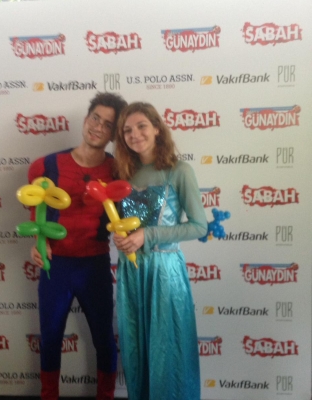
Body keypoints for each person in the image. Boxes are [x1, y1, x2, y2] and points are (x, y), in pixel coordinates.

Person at [28, 92, 127, 400]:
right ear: (86, 119)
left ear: (114, 135)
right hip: (55, 266)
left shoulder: (119, 172)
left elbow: (127, 219)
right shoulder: (45, 166)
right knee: (50, 337)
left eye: (108, 124)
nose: (98, 127)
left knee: (104, 339)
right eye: (96, 118)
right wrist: (38, 243)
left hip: (95, 266)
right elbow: (36, 216)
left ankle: (106, 395)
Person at [113, 102, 207, 400]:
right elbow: (125, 223)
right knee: (136, 349)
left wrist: (148, 234)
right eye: (127, 130)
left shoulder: (179, 171)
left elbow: (199, 226)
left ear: (157, 128)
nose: (135, 134)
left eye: (141, 126)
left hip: (164, 272)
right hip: (131, 272)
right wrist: (121, 238)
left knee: (168, 351)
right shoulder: (124, 173)